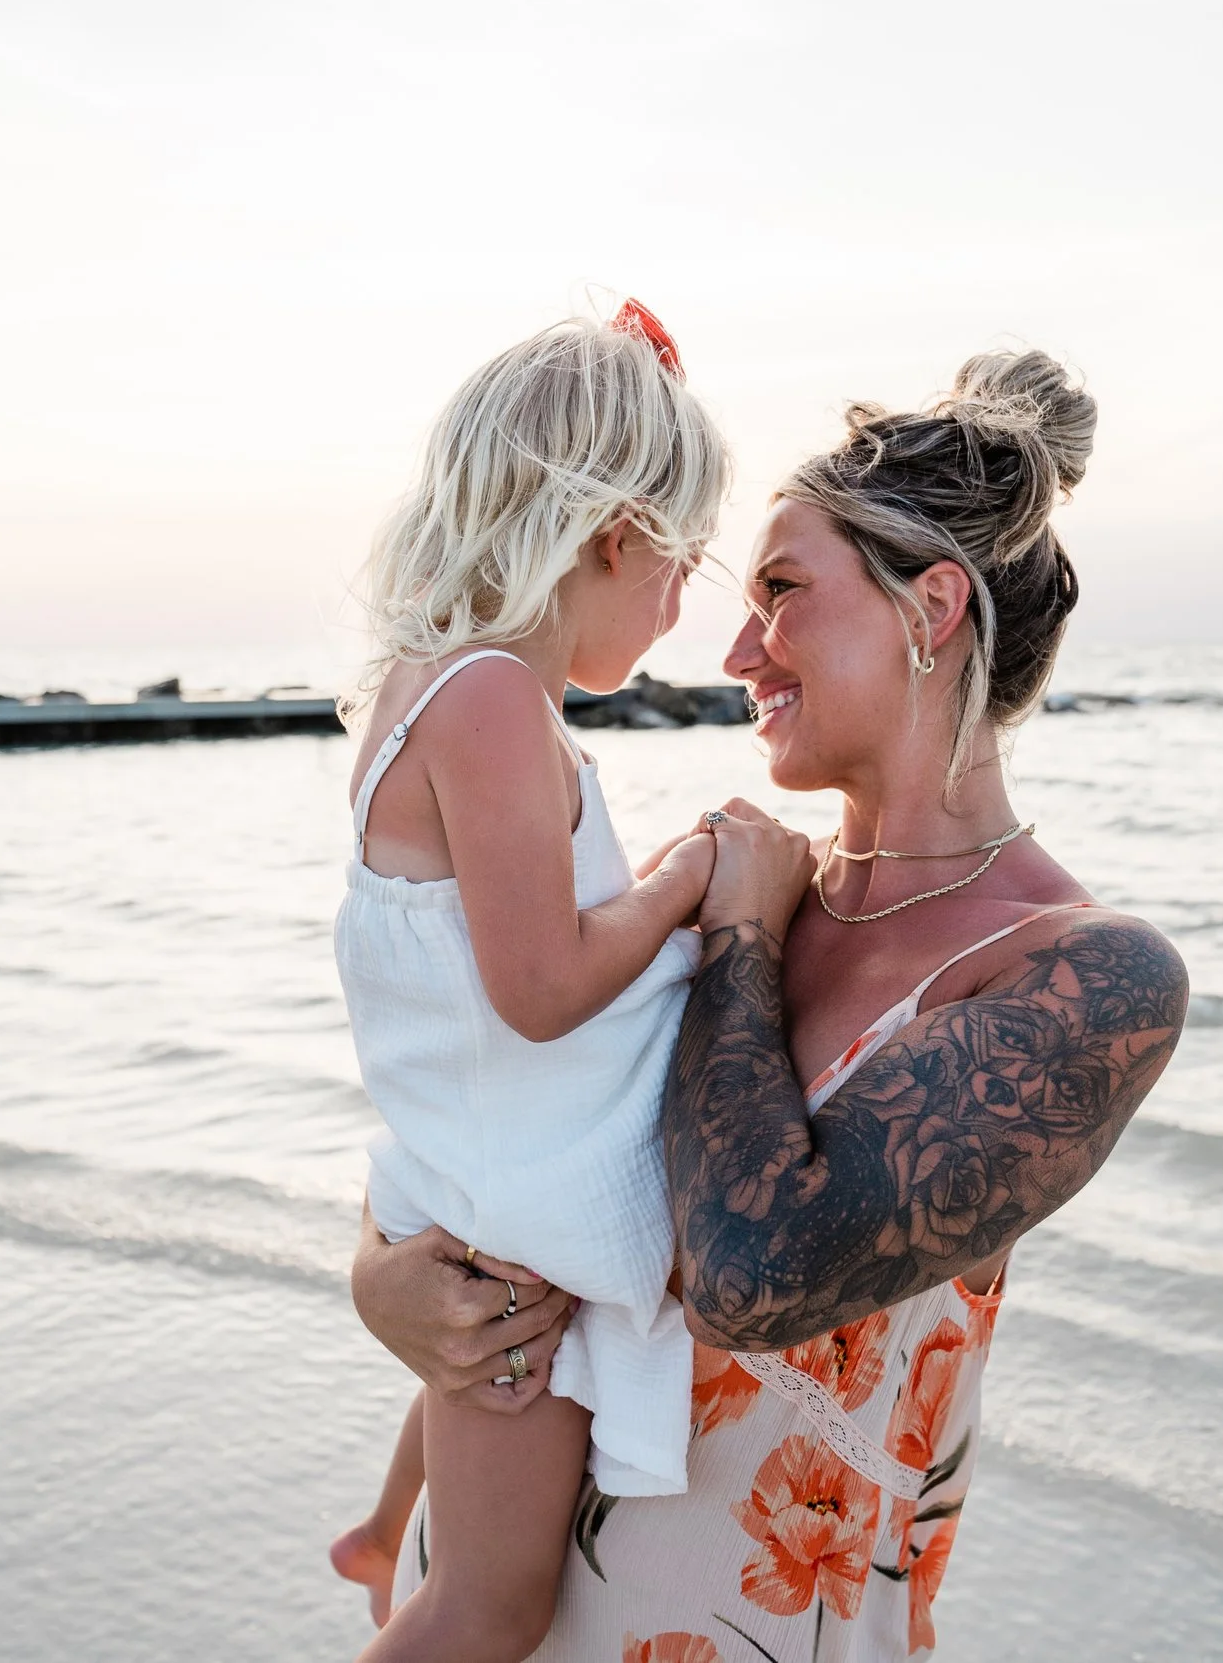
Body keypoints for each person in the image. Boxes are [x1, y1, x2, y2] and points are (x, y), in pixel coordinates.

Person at [350, 348, 1190, 1659]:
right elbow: (499, 1111)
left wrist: (739, 932)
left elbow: (752, 1275)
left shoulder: (1085, 974)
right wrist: (383, 1280)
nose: (738, 649)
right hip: (490, 1589)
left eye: (781, 593)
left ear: (931, 609)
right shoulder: (736, 884)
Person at [327, 302, 734, 1662]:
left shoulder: (437, 684)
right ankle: (393, 1543)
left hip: (471, 1166)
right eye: (683, 564)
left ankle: (381, 1528)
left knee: (470, 1525)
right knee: (489, 1607)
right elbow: (540, 988)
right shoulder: (497, 700)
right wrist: (684, 881)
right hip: (516, 1228)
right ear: (614, 536)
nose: (680, 606)